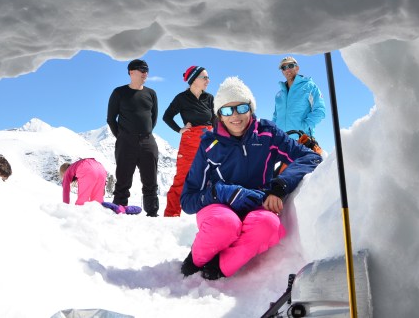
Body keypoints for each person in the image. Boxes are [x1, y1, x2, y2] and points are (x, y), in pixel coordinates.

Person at [180, 77, 322, 280]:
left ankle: (219, 267)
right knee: (225, 223)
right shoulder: (210, 145)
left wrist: (280, 186)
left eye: (242, 107)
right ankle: (194, 261)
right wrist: (220, 191)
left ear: (251, 108)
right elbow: (188, 200)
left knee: (268, 226)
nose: (235, 116)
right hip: (219, 206)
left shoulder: (267, 133)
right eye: (227, 110)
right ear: (219, 114)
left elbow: (310, 157)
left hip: (258, 202)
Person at [106, 59, 160, 217]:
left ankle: (152, 214)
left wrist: (145, 135)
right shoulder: (119, 92)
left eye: (147, 70)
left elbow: (153, 118)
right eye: (142, 70)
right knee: (123, 181)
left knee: (150, 182)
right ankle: (118, 212)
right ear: (131, 72)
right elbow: (111, 119)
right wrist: (122, 136)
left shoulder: (151, 93)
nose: (145, 73)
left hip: (147, 141)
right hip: (126, 141)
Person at [162, 66, 215, 217]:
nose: (208, 80)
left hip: (209, 140)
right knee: (182, 178)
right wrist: (180, 129)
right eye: (204, 77)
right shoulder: (181, 98)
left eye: (208, 77)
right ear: (194, 79)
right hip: (190, 140)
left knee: (212, 178)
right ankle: (171, 215)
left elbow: (215, 120)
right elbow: (167, 117)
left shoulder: (210, 98)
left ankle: (210, 216)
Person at [273, 56, 326, 140]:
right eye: (284, 68)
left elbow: (320, 111)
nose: (287, 70)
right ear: (282, 72)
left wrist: (303, 127)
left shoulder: (309, 86)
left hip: (302, 140)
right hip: (281, 142)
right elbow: (275, 117)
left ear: (297, 68)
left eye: (290, 66)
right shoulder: (279, 95)